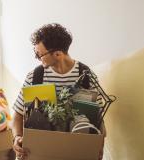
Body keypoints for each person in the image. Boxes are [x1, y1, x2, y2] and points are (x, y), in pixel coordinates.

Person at [13, 23, 103, 160]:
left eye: (39, 54)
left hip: (76, 153)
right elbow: (17, 115)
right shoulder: (35, 77)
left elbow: (99, 117)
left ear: (57, 54)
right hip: (42, 153)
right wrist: (17, 137)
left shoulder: (87, 76)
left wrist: (99, 146)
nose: (37, 58)